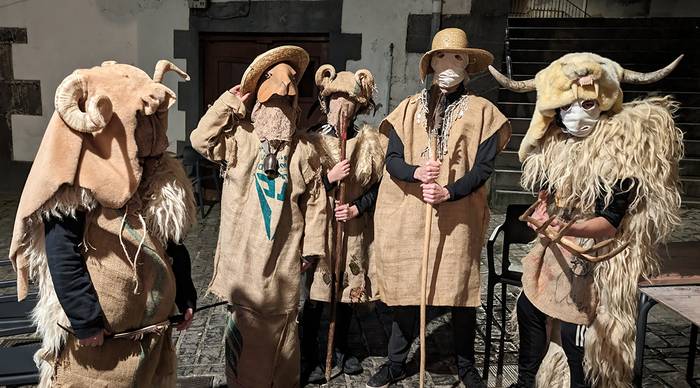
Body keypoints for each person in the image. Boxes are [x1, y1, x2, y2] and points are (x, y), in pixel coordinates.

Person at [489, 52, 684, 387]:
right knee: (529, 308)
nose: (576, 114)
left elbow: (610, 222)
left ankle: (579, 382)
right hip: (557, 252)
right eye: (567, 107)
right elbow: (549, 197)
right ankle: (525, 382)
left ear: (604, 104)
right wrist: (543, 213)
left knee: (573, 331)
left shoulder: (620, 152)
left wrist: (566, 227)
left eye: (587, 105)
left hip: (597, 259)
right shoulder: (557, 146)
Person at [9, 60, 197, 387]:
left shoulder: (159, 174)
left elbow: (171, 242)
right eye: (140, 118)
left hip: (149, 335)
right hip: (101, 341)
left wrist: (185, 294)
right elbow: (61, 251)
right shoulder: (77, 184)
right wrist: (85, 319)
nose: (152, 129)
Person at [367, 28, 511, 388]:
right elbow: (393, 160)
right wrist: (416, 171)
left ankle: (465, 365)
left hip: (459, 216)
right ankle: (396, 361)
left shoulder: (484, 113)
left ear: (468, 66)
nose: (449, 64)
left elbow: (483, 168)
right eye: (441, 58)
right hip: (412, 217)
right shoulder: (408, 110)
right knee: (407, 294)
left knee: (460, 292)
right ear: (430, 65)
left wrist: (450, 192)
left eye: (457, 58)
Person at [190, 45, 327, 387]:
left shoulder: (304, 150)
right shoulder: (240, 140)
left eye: (286, 100)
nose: (279, 105)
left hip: (284, 259)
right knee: (245, 331)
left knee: (283, 332)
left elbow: (315, 202)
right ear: (259, 101)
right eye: (272, 99)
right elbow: (200, 139)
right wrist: (230, 101)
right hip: (244, 258)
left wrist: (311, 248)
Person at [300, 65, 384, 384]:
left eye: (348, 100)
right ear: (327, 102)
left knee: (347, 293)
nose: (341, 107)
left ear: (358, 105)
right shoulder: (313, 142)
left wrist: (356, 208)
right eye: (335, 99)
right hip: (322, 230)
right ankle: (310, 353)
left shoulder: (369, 142)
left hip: (353, 231)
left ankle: (341, 350)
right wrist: (327, 179)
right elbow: (301, 187)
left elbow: (377, 187)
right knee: (316, 297)